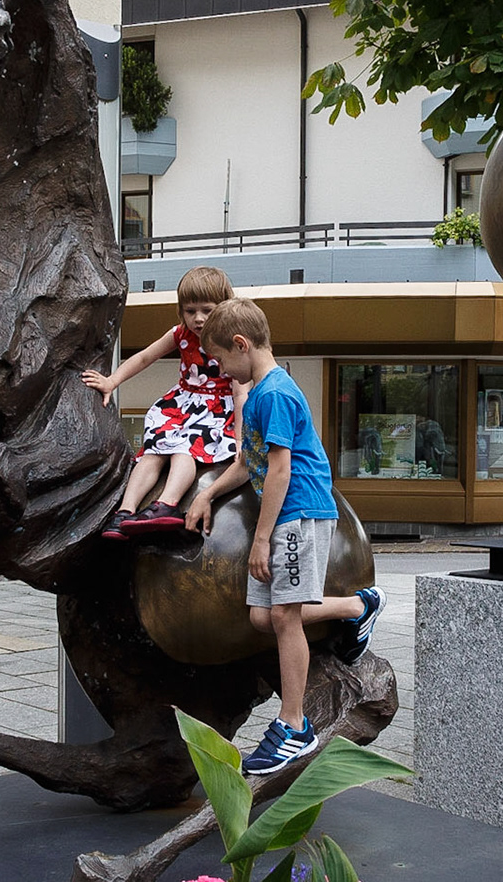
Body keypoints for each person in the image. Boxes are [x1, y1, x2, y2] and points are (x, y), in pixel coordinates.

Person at [184, 297, 384, 776]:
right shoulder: (258, 393)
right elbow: (245, 465)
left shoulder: (274, 394)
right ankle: (359, 606)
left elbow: (278, 471)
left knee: (285, 615)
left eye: (222, 361)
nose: (222, 370)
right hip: (286, 513)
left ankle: (293, 726)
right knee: (262, 617)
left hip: (298, 511)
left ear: (241, 344)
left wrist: (261, 540)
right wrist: (207, 494)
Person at [83, 266, 243, 538]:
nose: (198, 318)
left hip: (215, 411)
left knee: (183, 448)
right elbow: (145, 357)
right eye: (190, 311)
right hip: (182, 405)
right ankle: (125, 511)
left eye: (207, 310)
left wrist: (240, 439)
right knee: (152, 451)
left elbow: (241, 394)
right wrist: (112, 380)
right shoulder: (180, 335)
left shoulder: (231, 343)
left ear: (224, 307)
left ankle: (167, 503)